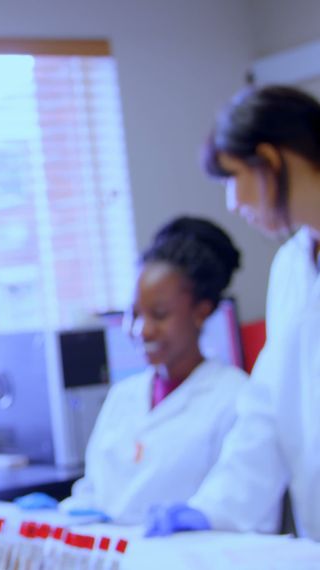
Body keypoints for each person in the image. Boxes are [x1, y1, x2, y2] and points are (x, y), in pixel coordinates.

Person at [146, 85, 320, 540]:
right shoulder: (293, 267)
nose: (232, 202)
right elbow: (267, 410)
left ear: (270, 160)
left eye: (232, 177)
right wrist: (213, 510)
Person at [44, 216, 248, 525]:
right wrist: (59, 514)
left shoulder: (236, 397)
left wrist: (200, 521)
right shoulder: (123, 396)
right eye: (134, 313)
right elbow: (93, 492)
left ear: (201, 312)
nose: (142, 330)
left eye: (160, 315)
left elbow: (238, 506)